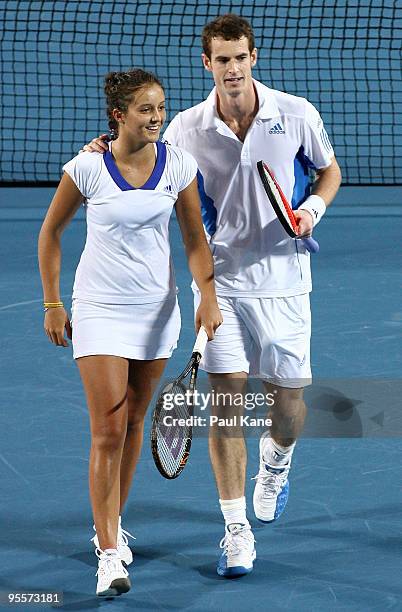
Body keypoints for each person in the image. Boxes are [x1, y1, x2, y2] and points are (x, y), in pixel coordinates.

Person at [83, 14, 342, 578]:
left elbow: (329, 173)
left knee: (289, 406)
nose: (231, 67)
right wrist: (106, 147)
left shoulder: (296, 113)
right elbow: (143, 156)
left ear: (254, 58)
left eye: (240, 57)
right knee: (226, 407)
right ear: (207, 63)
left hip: (287, 281)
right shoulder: (185, 128)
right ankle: (235, 530)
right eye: (221, 59)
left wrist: (312, 210)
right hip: (222, 280)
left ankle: (276, 463)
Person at [38, 68, 222, 597]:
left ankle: (110, 527)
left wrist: (206, 294)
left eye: (161, 107)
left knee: (136, 421)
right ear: (118, 115)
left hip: (156, 311)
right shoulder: (88, 167)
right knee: (108, 429)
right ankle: (111, 554)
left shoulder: (178, 165)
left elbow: (193, 235)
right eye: (146, 109)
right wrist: (53, 303)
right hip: (98, 309)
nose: (158, 117)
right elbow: (51, 233)